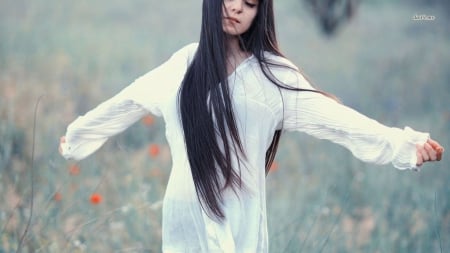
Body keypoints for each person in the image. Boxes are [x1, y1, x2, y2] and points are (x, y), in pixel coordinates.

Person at [59, 0, 444, 252]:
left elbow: (339, 122)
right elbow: (126, 102)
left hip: (239, 215)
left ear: (261, 13)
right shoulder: (182, 65)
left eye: (250, 3)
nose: (236, 8)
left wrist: (403, 145)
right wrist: (77, 135)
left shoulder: (273, 76)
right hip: (184, 213)